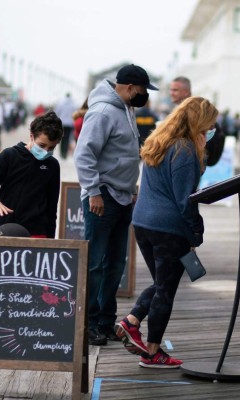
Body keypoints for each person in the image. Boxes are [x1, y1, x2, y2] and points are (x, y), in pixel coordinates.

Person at [115, 97, 218, 369]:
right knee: (166, 290)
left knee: (162, 283)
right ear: (198, 122)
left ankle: (132, 322)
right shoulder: (184, 149)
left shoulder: (160, 140)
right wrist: (196, 233)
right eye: (208, 125)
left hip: (144, 223)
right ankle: (152, 351)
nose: (210, 130)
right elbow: (186, 200)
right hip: (168, 228)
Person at [73, 64, 159, 346]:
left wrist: (131, 187)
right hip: (103, 197)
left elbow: (121, 154)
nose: (145, 95)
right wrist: (93, 191)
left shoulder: (127, 109)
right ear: (131, 88)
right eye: (144, 90)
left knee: (115, 264)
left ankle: (105, 321)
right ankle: (88, 324)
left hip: (123, 196)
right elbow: (84, 155)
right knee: (96, 262)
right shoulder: (102, 112)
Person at [0, 110, 63, 238]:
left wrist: (50, 241)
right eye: (42, 145)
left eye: (51, 148)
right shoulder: (9, 155)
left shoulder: (53, 165)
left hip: (37, 232)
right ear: (31, 136)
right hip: (7, 228)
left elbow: (52, 208)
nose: (46, 151)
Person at [168, 76, 225, 166]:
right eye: (170, 90)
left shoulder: (196, 112)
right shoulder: (178, 111)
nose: (171, 93)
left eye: (175, 90)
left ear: (186, 92)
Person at [55, 93, 76, 159]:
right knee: (67, 139)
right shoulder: (73, 104)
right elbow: (75, 114)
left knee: (62, 138)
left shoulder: (60, 103)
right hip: (70, 124)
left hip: (62, 123)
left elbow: (57, 113)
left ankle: (61, 153)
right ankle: (65, 153)